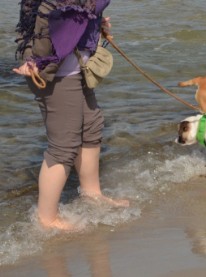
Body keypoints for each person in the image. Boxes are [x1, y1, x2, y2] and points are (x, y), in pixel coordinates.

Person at [13, 0, 129, 231]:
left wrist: (94, 24)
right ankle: (46, 219)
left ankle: (92, 194)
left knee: (91, 127)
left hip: (77, 67)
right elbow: (38, 18)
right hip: (56, 74)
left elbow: (73, 16)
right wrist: (33, 60)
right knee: (63, 147)